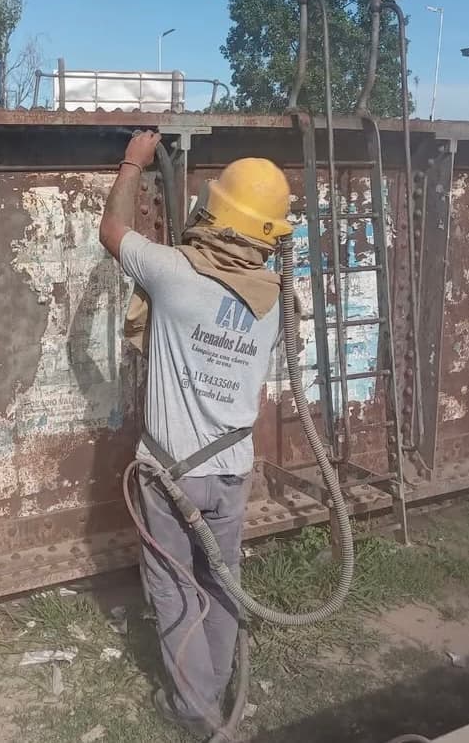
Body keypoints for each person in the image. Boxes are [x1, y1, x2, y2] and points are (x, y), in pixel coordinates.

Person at [98, 130, 293, 737]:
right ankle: (213, 692)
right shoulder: (274, 299)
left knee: (177, 589)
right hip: (232, 474)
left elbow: (111, 232)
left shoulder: (174, 273)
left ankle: (198, 712)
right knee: (222, 581)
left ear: (217, 212)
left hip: (170, 475)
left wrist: (133, 162)